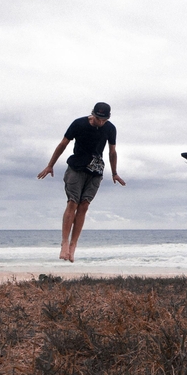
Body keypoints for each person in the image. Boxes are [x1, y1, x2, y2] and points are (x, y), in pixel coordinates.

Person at [38, 102, 125, 261]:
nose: (100, 122)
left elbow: (112, 151)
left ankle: (73, 245)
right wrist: (50, 165)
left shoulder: (110, 128)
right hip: (76, 168)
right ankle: (64, 243)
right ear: (93, 114)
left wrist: (115, 173)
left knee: (84, 205)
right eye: (98, 118)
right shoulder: (79, 123)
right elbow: (63, 144)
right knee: (73, 203)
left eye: (104, 120)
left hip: (96, 171)